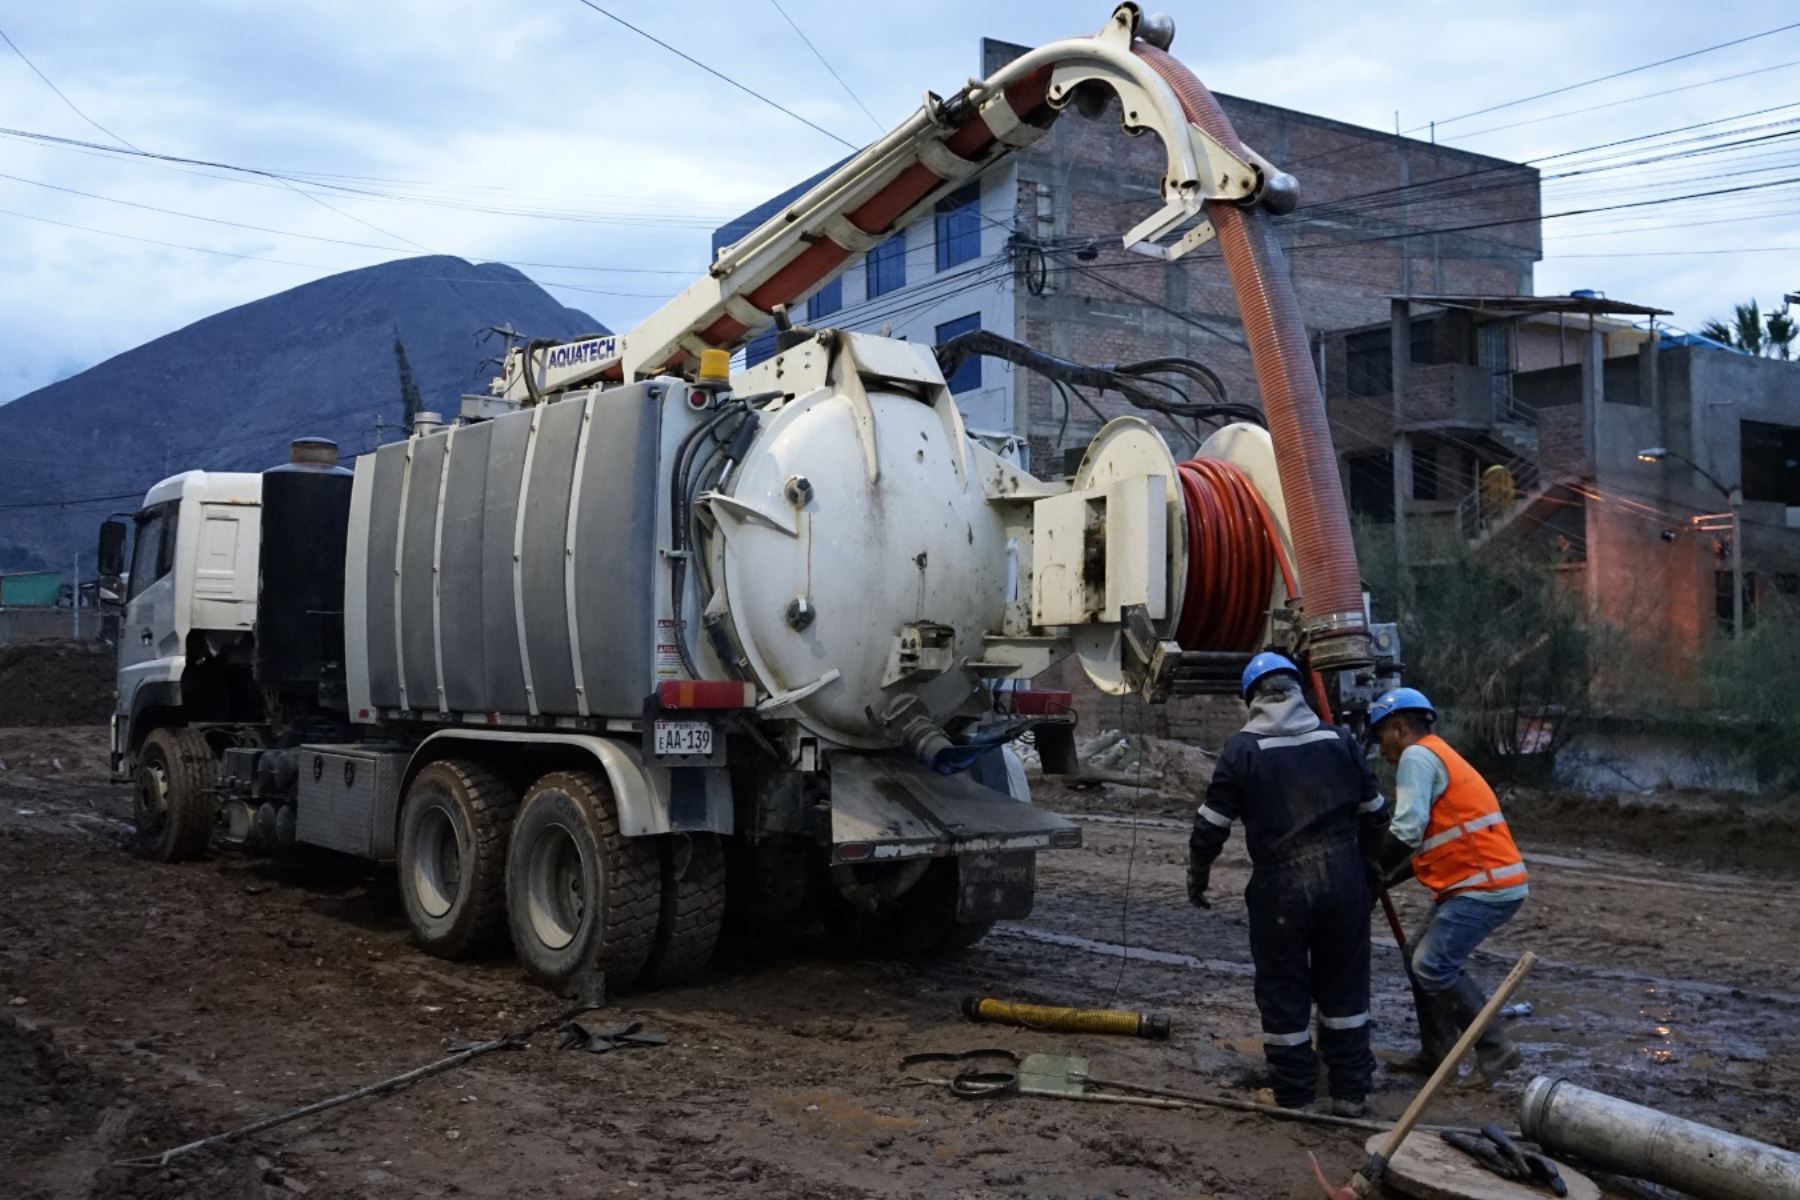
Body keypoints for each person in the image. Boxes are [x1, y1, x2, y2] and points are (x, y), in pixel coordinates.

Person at [1189, 652, 1390, 1115]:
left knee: (1284, 989)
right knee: (1345, 988)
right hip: (1344, 882)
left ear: (1252, 700)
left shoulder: (1242, 750)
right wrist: (1370, 864)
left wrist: (1197, 876)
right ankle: (1350, 1093)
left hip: (1281, 888)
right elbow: (1377, 814)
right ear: (1298, 690)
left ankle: (1296, 1094)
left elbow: (1211, 827)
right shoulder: (1339, 740)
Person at [1367, 687, 1527, 1080]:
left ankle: (1496, 1047)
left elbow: (1406, 830)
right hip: (1474, 883)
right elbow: (1424, 841)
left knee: (1433, 964)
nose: (1380, 749)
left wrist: (1370, 868)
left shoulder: (1417, 757)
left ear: (1400, 727)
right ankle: (1437, 1051)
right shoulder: (1438, 753)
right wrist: (1385, 879)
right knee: (1416, 956)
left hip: (1483, 886)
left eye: (1380, 736)